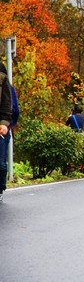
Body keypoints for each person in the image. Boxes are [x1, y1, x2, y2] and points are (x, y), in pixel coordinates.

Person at [0, 63, 14, 202]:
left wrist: (5, 123)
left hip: (1, 127)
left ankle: (0, 188)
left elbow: (8, 104)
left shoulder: (3, 78)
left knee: (1, 163)